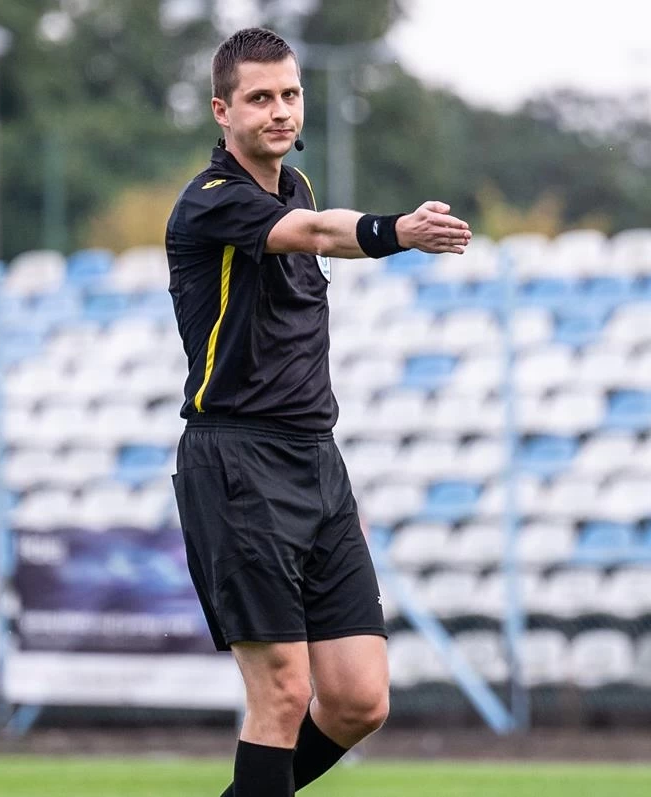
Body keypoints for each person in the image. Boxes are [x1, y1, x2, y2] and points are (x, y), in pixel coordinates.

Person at [165, 26, 472, 797]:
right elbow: (316, 233)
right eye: (259, 98)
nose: (279, 111)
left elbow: (308, 220)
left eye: (290, 95)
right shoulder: (210, 202)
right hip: (238, 461)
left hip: (316, 460)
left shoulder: (294, 183)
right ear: (222, 112)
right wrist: (397, 230)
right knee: (282, 693)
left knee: (359, 698)